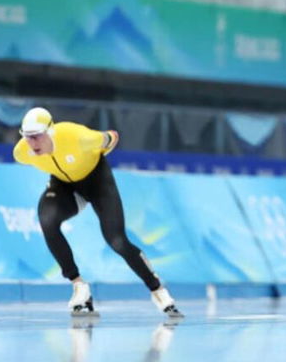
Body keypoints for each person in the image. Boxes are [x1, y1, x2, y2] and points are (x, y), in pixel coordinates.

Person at [12, 107, 182, 319]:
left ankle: (158, 290)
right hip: (64, 186)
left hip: (97, 182)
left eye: (36, 136)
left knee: (117, 240)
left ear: (51, 132)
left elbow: (112, 137)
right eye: (27, 137)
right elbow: (42, 157)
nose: (32, 143)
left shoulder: (78, 137)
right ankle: (78, 286)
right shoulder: (22, 152)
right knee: (47, 219)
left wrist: (100, 145)